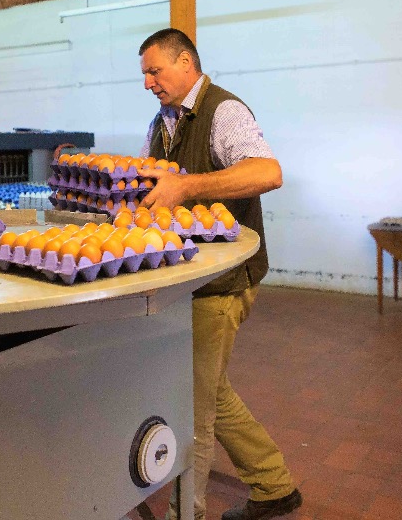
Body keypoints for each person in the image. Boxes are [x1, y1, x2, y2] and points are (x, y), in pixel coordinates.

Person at [137, 28, 302, 520]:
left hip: (222, 281)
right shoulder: (162, 123)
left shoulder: (224, 111)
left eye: (154, 71)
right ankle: (274, 485)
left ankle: (187, 512)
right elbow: (156, 190)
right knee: (210, 388)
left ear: (186, 63)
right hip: (186, 278)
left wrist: (187, 188)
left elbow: (267, 172)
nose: (147, 83)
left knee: (194, 407)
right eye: (144, 74)